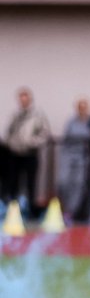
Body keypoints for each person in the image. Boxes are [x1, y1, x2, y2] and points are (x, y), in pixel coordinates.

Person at [5, 87, 52, 217]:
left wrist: (32, 142)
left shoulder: (38, 115)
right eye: (21, 99)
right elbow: (8, 132)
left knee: (31, 183)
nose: (23, 101)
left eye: (25, 99)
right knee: (13, 183)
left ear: (30, 100)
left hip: (30, 154)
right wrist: (11, 143)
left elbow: (45, 133)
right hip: (15, 154)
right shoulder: (15, 115)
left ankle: (32, 210)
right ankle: (13, 210)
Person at [57, 97, 90, 224]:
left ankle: (71, 212)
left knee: (78, 184)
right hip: (69, 156)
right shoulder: (71, 122)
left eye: (84, 107)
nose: (82, 110)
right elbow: (65, 139)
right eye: (80, 107)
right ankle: (64, 207)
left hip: (84, 158)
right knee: (63, 182)